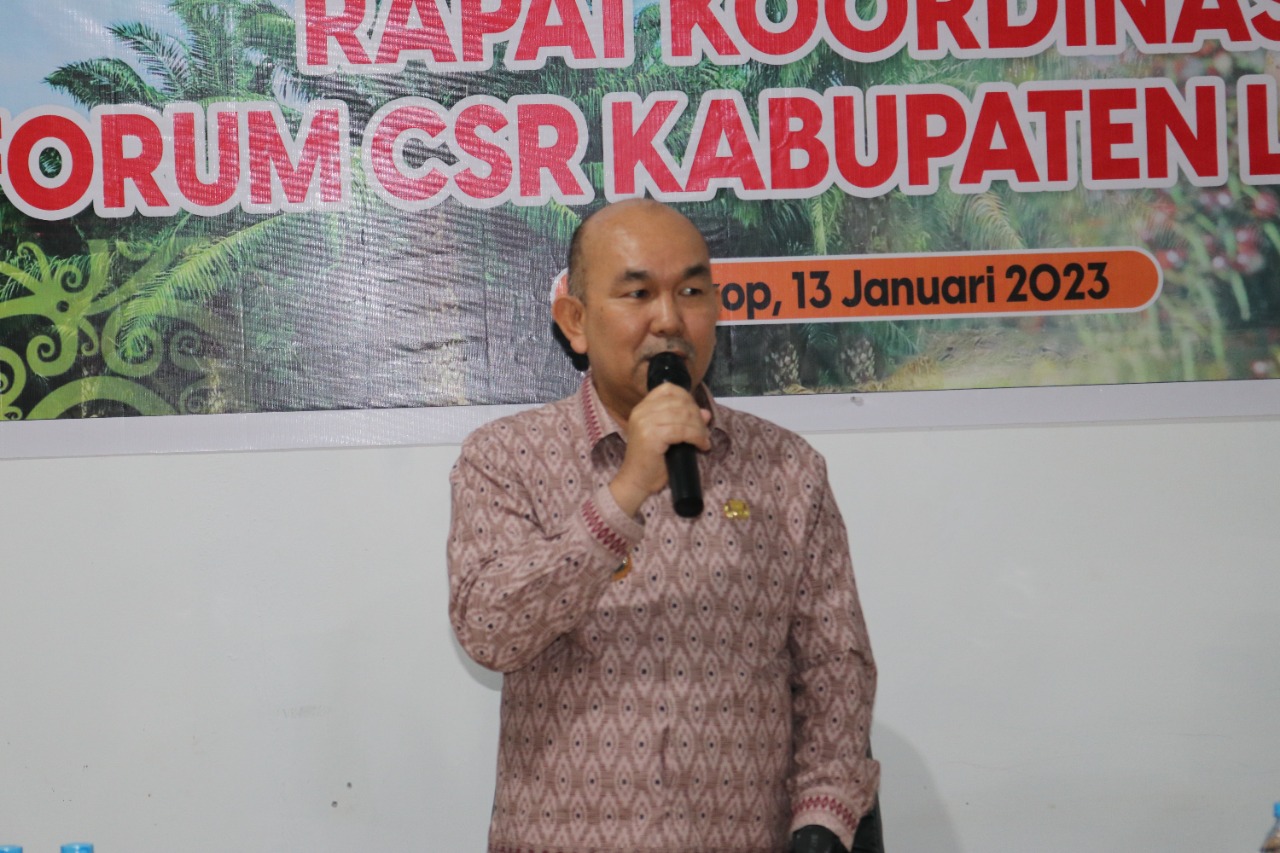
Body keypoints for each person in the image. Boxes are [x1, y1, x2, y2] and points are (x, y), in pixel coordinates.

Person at [447, 199, 879, 853]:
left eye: (692, 292)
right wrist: (624, 493)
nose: (671, 320)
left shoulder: (789, 468)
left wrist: (822, 817)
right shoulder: (506, 457)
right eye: (638, 293)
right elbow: (490, 631)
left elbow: (834, 670)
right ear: (575, 321)